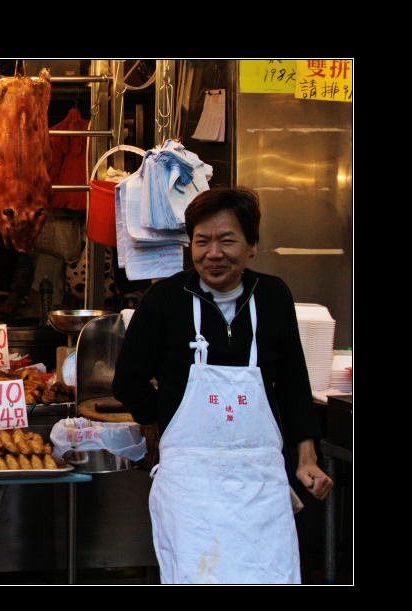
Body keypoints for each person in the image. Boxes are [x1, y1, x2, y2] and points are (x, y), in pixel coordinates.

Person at [112, 186, 333, 584]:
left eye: (226, 240)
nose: (213, 253)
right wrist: (169, 419)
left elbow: (293, 384)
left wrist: (307, 459)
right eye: (202, 241)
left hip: (259, 484)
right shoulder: (164, 300)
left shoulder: (273, 296)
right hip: (189, 488)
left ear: (252, 245)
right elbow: (128, 380)